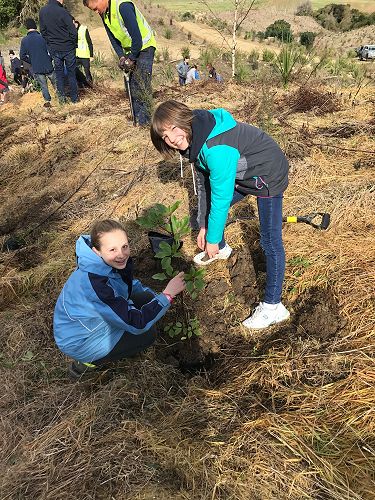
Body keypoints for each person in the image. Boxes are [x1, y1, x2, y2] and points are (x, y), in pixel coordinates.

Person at [150, 100, 290, 331]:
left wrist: (211, 237)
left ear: (184, 119)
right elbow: (205, 184)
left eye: (173, 129)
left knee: (270, 241)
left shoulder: (216, 148)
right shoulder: (196, 138)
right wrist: (204, 226)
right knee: (207, 216)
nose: (172, 138)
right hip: (246, 174)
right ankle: (222, 250)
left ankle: (274, 307)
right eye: (165, 136)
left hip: (267, 175)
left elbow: (222, 197)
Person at [53, 219, 185, 378]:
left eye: (125, 246)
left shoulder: (99, 264)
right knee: (147, 335)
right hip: (81, 341)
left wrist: (156, 297)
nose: (121, 255)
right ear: (97, 251)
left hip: (91, 321)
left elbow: (127, 284)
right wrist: (167, 295)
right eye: (112, 250)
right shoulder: (96, 286)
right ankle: (87, 363)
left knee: (147, 297)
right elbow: (137, 323)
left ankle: (119, 339)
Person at [83, 0, 156, 126]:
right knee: (131, 87)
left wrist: (132, 58)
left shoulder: (123, 6)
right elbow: (112, 38)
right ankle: (137, 118)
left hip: (145, 46)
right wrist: (121, 57)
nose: (96, 12)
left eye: (95, 8)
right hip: (130, 49)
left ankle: (146, 123)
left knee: (142, 85)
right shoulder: (104, 13)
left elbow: (137, 38)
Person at [39, 0, 79, 103]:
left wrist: (50, 45)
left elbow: (43, 32)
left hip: (54, 49)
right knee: (71, 74)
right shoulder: (63, 11)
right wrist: (74, 44)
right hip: (68, 47)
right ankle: (74, 99)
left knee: (59, 74)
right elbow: (73, 30)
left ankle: (62, 99)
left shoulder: (43, 11)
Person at [20, 18, 57, 107]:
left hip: (36, 67)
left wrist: (32, 61)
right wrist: (50, 58)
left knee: (44, 86)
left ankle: (48, 102)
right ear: (35, 26)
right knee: (56, 83)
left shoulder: (24, 40)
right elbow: (52, 50)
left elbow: (22, 56)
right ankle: (61, 98)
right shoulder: (43, 37)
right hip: (47, 65)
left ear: (27, 28)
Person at [73, 19, 93, 85]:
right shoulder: (71, 30)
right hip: (76, 55)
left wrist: (91, 55)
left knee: (87, 72)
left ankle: (90, 85)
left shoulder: (83, 29)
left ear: (76, 22)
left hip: (85, 55)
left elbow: (89, 42)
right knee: (77, 72)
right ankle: (81, 86)